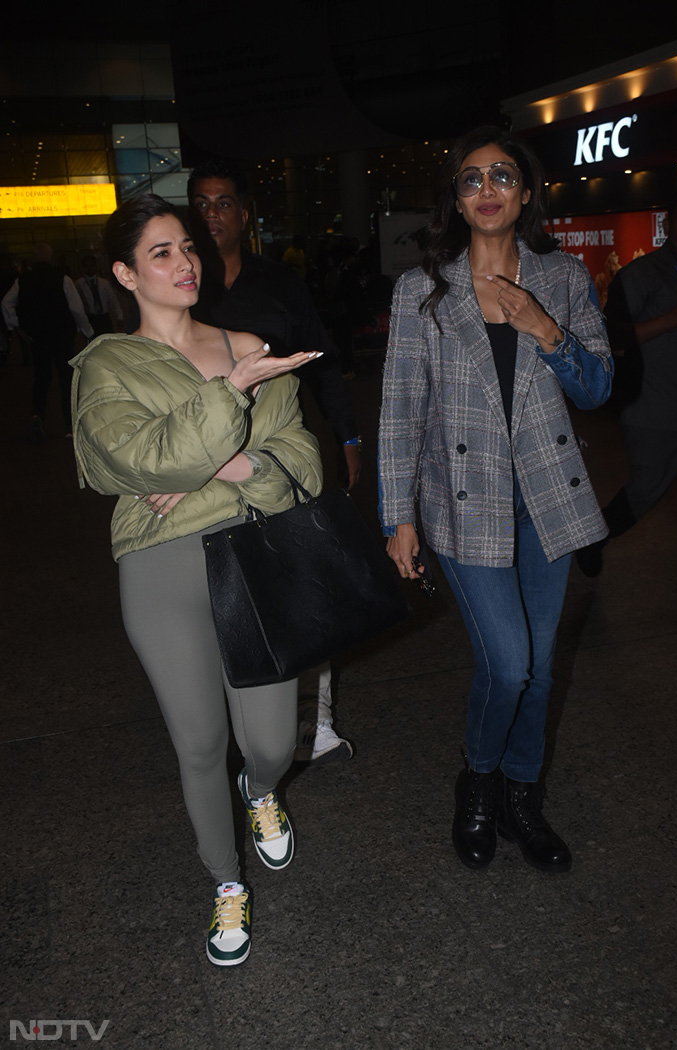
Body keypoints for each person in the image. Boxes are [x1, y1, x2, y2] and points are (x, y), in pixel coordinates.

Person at [70, 194, 324, 966]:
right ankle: (224, 883)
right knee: (200, 741)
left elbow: (302, 466)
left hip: (254, 553)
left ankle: (262, 793)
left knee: (272, 740)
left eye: (187, 247)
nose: (185, 263)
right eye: (161, 253)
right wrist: (232, 404)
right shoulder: (105, 364)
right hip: (158, 564)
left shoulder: (251, 344)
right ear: (124, 273)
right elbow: (125, 463)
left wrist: (226, 462)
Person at [378, 126, 613, 874]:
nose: (486, 189)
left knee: (542, 670)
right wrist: (398, 516)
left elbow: (599, 387)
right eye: (471, 178)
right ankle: (477, 782)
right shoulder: (423, 289)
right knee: (508, 664)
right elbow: (400, 412)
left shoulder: (565, 278)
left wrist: (545, 329)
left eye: (502, 176)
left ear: (526, 193)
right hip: (462, 504)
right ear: (456, 197)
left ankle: (521, 795)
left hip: (549, 500)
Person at [187, 159, 358, 762]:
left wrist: (348, 436)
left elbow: (322, 359)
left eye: (224, 203)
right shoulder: (182, 286)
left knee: (301, 579)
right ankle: (241, 725)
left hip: (277, 454)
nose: (213, 216)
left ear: (245, 213)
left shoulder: (278, 284)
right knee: (220, 592)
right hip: (206, 465)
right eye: (202, 205)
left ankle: (319, 722)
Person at [576, 188, 677, 612]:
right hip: (654, 409)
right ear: (669, 226)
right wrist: (670, 320)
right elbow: (609, 337)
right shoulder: (641, 274)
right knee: (645, 492)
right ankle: (595, 538)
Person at [2, 243, 93, 436]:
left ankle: (38, 414)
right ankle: (69, 425)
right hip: (61, 334)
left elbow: (6, 303)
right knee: (66, 378)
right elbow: (76, 308)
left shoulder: (23, 280)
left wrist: (16, 325)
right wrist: (87, 330)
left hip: (37, 336)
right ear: (51, 257)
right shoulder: (63, 279)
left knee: (41, 377)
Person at [74, 253, 124, 335]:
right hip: (90, 318)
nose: (90, 268)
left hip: (104, 317)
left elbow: (113, 301)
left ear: (96, 266)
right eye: (87, 266)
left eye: (92, 265)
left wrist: (119, 316)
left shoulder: (104, 283)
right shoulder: (79, 284)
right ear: (83, 268)